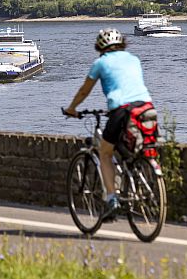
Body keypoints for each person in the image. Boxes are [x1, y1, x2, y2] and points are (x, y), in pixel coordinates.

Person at [63, 28, 153, 221]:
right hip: (146, 107)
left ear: (100, 47)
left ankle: (112, 198)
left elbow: (84, 91)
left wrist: (72, 108)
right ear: (122, 43)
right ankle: (136, 176)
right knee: (133, 147)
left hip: (121, 110)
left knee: (105, 152)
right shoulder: (134, 59)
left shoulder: (100, 63)